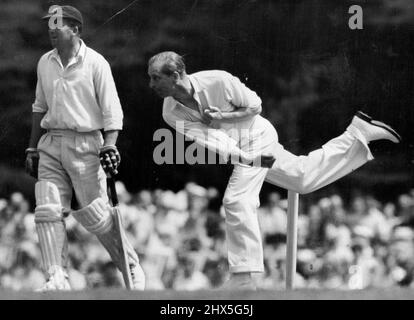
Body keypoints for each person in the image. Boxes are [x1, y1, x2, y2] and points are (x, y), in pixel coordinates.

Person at [147, 51, 401, 290]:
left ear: (176, 75)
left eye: (156, 78)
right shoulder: (170, 112)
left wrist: (223, 118)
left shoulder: (218, 80)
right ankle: (357, 134)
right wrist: (243, 156)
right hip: (244, 151)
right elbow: (209, 139)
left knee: (236, 199)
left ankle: (243, 277)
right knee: (302, 178)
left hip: (259, 136)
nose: (151, 84)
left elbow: (255, 106)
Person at [25, 5, 145, 291]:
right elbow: (39, 107)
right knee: (47, 207)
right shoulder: (45, 62)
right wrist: (32, 148)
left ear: (76, 30)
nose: (52, 29)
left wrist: (110, 145)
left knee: (95, 215)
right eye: (50, 24)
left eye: (59, 25)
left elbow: (112, 111)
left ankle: (129, 265)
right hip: (51, 141)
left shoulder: (95, 63)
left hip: (86, 142)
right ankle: (57, 278)